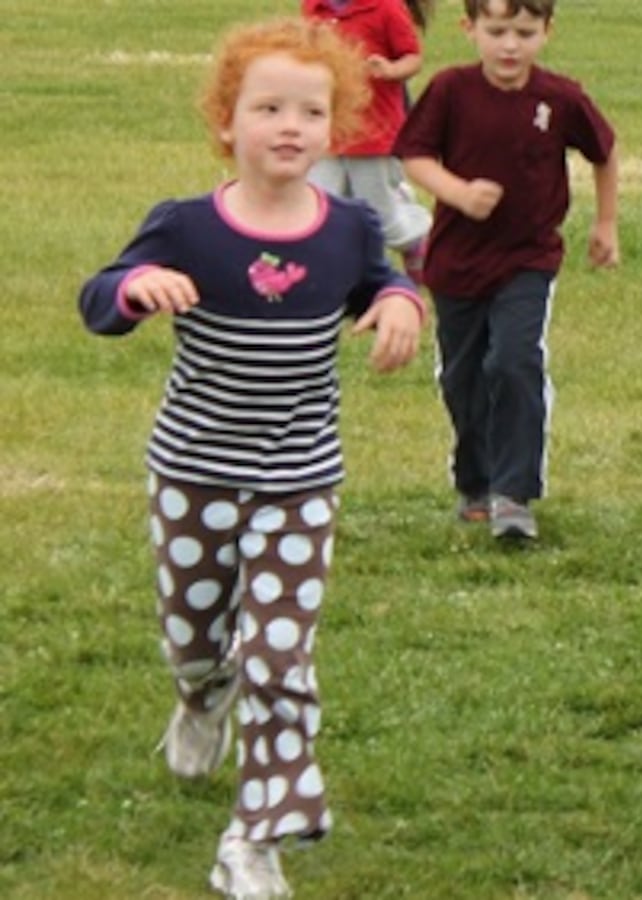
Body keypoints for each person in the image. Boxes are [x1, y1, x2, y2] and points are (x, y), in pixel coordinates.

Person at [77, 18, 424, 899]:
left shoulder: (347, 226)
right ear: (226, 121)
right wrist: (132, 288)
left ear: (335, 125)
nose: (289, 126)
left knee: (280, 658)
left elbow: (384, 276)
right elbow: (98, 297)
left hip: (300, 478)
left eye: (310, 111)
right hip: (194, 473)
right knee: (198, 644)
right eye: (267, 107)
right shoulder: (188, 227)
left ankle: (255, 838)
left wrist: (400, 306)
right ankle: (199, 700)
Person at [394, 0, 620, 541]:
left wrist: (605, 224)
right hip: (454, 264)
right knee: (463, 377)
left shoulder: (559, 98)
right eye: (497, 31)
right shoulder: (450, 90)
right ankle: (475, 481)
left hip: (527, 259)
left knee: (514, 362)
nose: (510, 45)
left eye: (524, 32)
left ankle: (514, 496)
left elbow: (604, 152)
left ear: (547, 32)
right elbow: (414, 155)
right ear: (470, 29)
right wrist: (457, 193)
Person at [302, 0, 432, 282]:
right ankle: (335, 271)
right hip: (328, 132)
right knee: (319, 205)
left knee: (381, 220)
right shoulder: (314, 7)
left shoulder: (386, 8)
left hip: (374, 136)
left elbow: (412, 58)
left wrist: (389, 70)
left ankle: (416, 235)